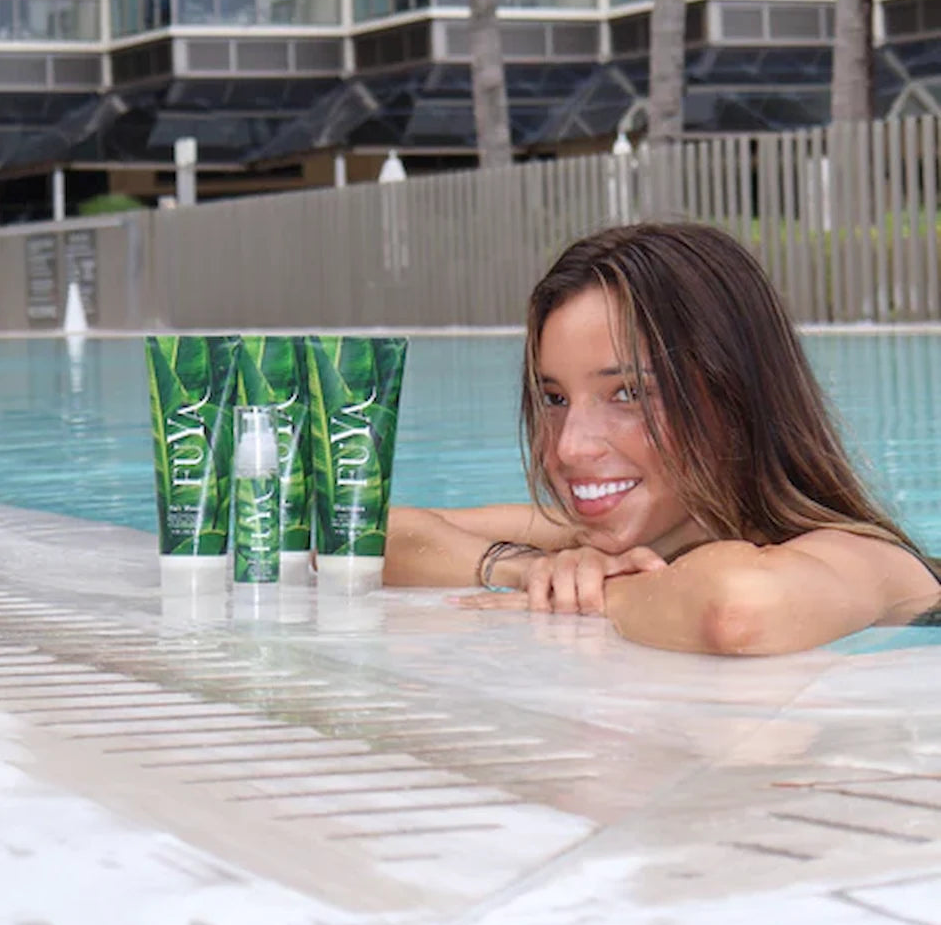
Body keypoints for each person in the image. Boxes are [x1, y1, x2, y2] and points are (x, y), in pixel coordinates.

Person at [384, 222, 941, 655]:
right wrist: (526, 570)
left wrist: (595, 594)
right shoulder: (609, 540)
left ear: (734, 396)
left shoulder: (863, 556)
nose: (569, 447)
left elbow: (738, 612)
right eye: (554, 399)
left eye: (628, 393)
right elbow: (370, 531)